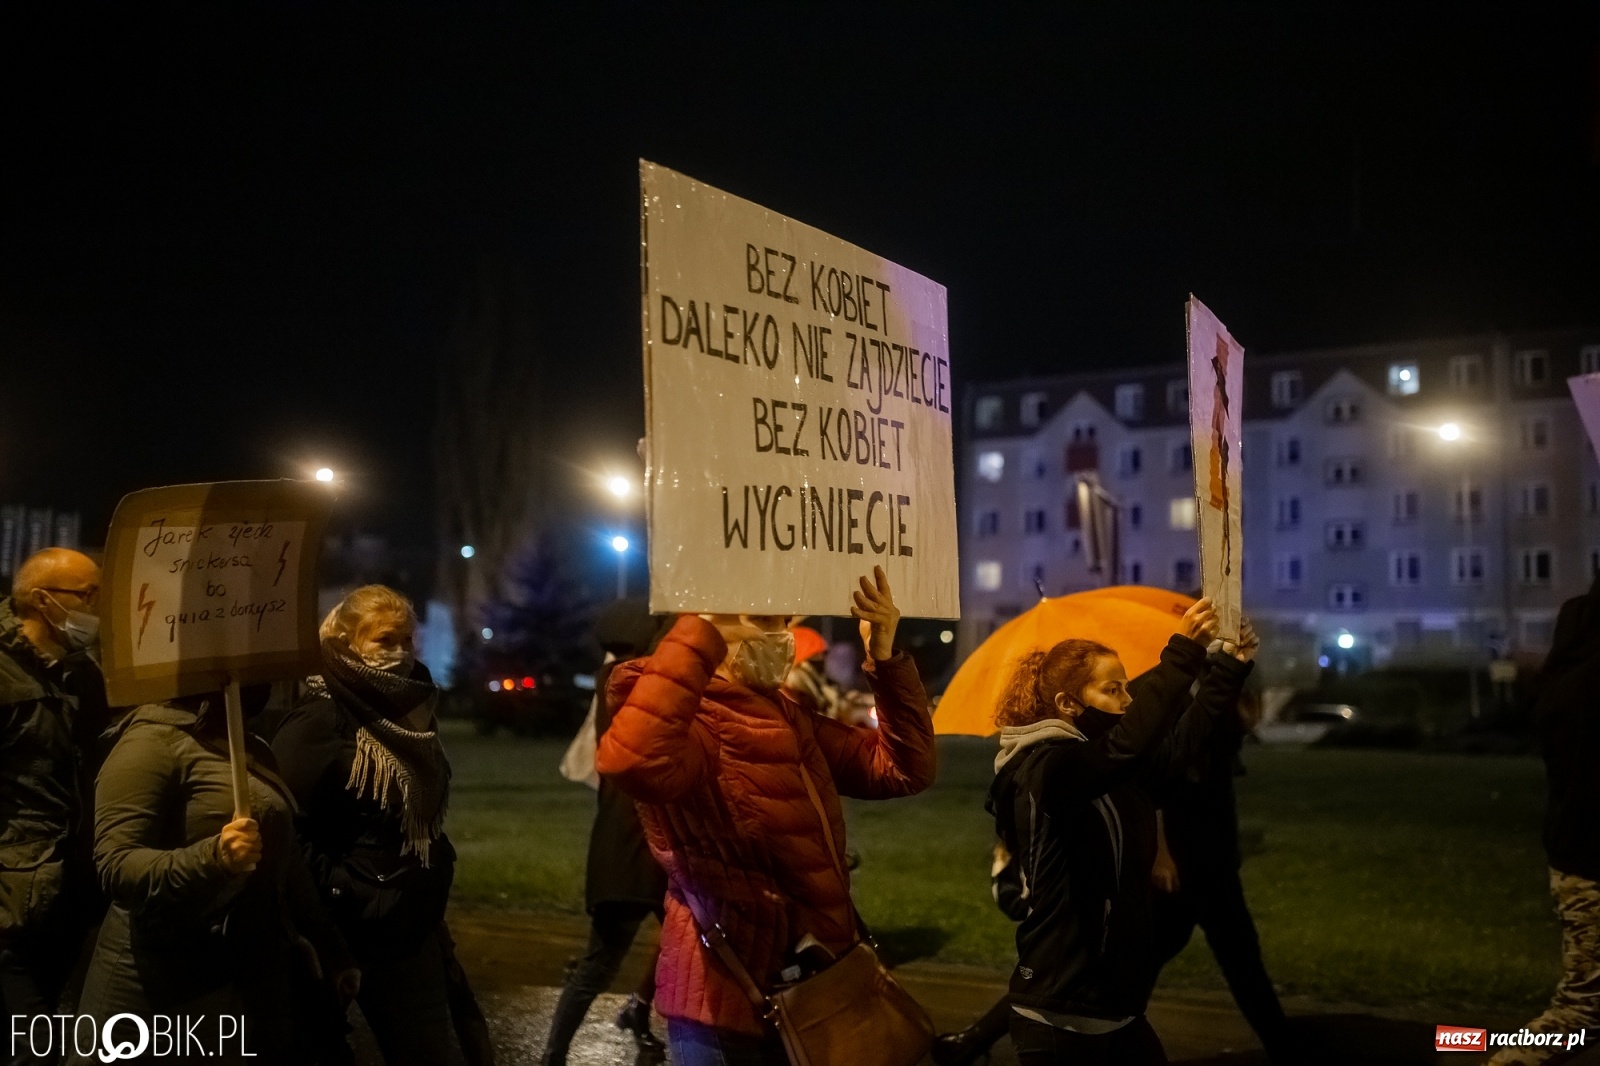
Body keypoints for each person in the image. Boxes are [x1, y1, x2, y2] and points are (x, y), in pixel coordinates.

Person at [596, 566, 937, 1066]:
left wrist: (884, 657)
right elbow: (634, 762)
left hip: (814, 983)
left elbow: (901, 771)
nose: (780, 635)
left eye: (784, 619)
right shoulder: (676, 710)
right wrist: (701, 631)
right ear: (706, 627)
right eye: (761, 618)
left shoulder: (784, 711)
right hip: (725, 1001)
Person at [988, 598, 1257, 1065]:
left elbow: (1179, 743)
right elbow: (1129, 743)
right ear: (1067, 704)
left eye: (1127, 688)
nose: (1127, 702)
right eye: (1113, 690)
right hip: (1060, 1018)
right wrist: (1183, 655)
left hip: (1117, 1008)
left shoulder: (1107, 766)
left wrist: (1228, 669)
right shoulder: (1048, 768)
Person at [71, 686, 357, 1065]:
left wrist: (331, 948)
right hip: (146, 990)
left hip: (228, 984)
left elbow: (284, 864)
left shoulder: (249, 746)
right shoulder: (148, 742)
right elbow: (116, 864)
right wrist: (214, 858)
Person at [269, 585, 485, 1066]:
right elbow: (283, 828)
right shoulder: (319, 720)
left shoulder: (409, 709)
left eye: (408, 641)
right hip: (346, 924)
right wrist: (343, 897)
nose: (401, 654)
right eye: (385, 641)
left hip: (410, 924)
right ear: (346, 642)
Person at [1149, 629, 1291, 1063]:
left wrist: (1237, 675)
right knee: (1135, 967)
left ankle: (1288, 1050)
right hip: (1182, 855)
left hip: (1214, 853)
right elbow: (1153, 782)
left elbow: (1247, 722)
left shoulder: (1219, 693)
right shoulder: (1169, 700)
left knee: (1238, 960)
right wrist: (1160, 854)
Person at [542, 602, 672, 1066]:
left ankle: (628, 1019)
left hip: (639, 851)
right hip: (635, 851)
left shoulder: (614, 679)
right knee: (604, 960)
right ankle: (556, 1052)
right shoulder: (632, 683)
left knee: (683, 948)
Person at [0, 548, 110, 1065]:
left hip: (62, 896)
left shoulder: (82, 674)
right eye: (89, 595)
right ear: (44, 600)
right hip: (8, 906)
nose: (99, 607)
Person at [1491, 575, 1600, 1065]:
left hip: (1576, 859)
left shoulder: (1567, 677)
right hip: (1593, 862)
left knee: (1582, 1010)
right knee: (1580, 1014)